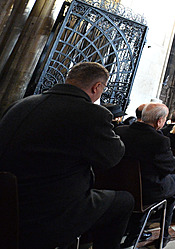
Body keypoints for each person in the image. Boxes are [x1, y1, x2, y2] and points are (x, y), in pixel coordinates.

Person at [0, 62, 133, 249]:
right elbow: (112, 157)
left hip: (6, 206)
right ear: (97, 87)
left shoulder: (20, 104)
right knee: (124, 201)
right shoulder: (92, 114)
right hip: (44, 214)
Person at [116, 103, 175, 247]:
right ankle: (164, 234)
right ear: (159, 121)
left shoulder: (120, 131)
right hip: (147, 191)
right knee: (174, 185)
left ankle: (134, 232)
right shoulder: (159, 140)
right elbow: (169, 167)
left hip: (118, 184)